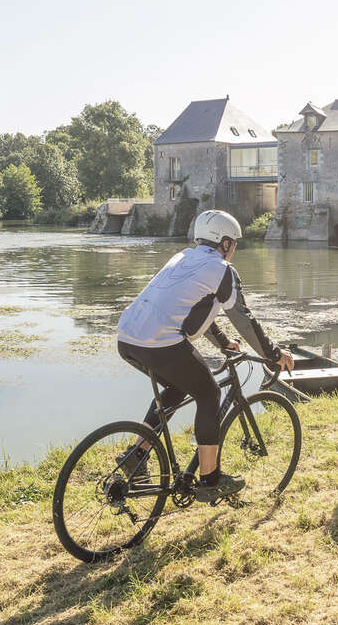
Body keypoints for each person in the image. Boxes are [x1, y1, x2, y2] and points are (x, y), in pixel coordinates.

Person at [116, 209, 294, 501]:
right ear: (224, 243)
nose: (234, 248)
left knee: (177, 385)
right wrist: (274, 354)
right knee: (208, 392)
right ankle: (210, 479)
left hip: (127, 337)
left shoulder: (182, 258)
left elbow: (195, 309)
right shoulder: (223, 270)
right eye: (234, 242)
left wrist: (223, 342)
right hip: (159, 341)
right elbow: (243, 319)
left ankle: (138, 453)